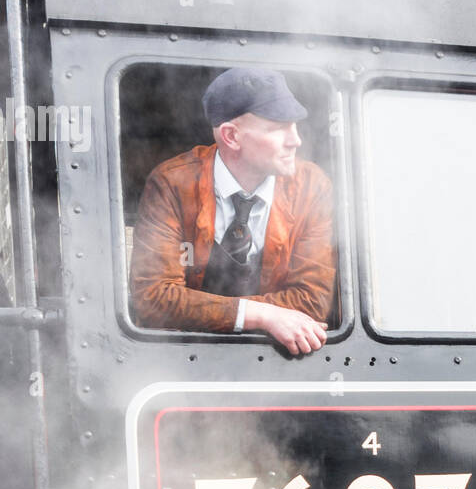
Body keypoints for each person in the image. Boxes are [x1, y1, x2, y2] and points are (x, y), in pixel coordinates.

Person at [129, 67, 334, 354]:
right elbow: (153, 298)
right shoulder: (173, 183)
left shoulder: (312, 187)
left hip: (273, 357)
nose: (295, 140)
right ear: (232, 137)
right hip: (181, 355)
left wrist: (213, 311)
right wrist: (264, 315)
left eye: (295, 125)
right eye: (278, 128)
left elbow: (312, 301)